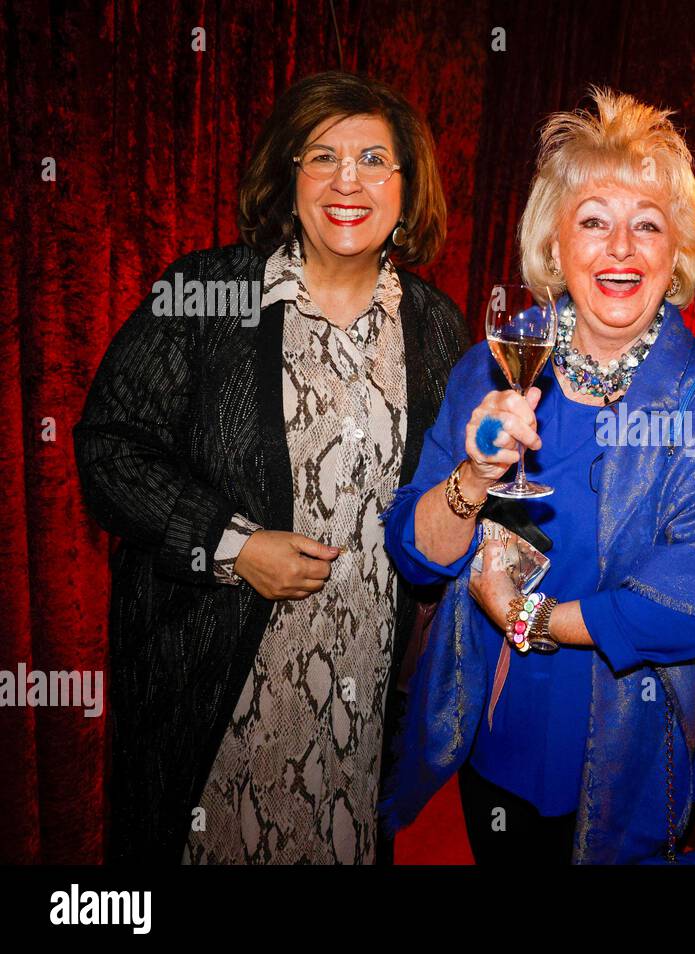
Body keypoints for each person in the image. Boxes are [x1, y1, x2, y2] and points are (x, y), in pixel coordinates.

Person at [74, 71, 469, 864]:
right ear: (289, 179)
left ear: (406, 187)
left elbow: (447, 501)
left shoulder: (437, 328)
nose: (347, 181)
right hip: (213, 693)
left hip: (359, 711)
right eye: (322, 157)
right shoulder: (206, 292)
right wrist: (234, 546)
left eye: (373, 160)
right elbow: (108, 450)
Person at [380, 88, 695, 864]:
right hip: (488, 733)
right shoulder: (494, 364)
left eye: (647, 225)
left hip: (633, 758)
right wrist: (473, 472)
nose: (619, 247)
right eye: (593, 220)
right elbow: (413, 550)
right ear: (555, 247)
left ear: (678, 252)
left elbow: (694, 607)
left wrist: (531, 619)